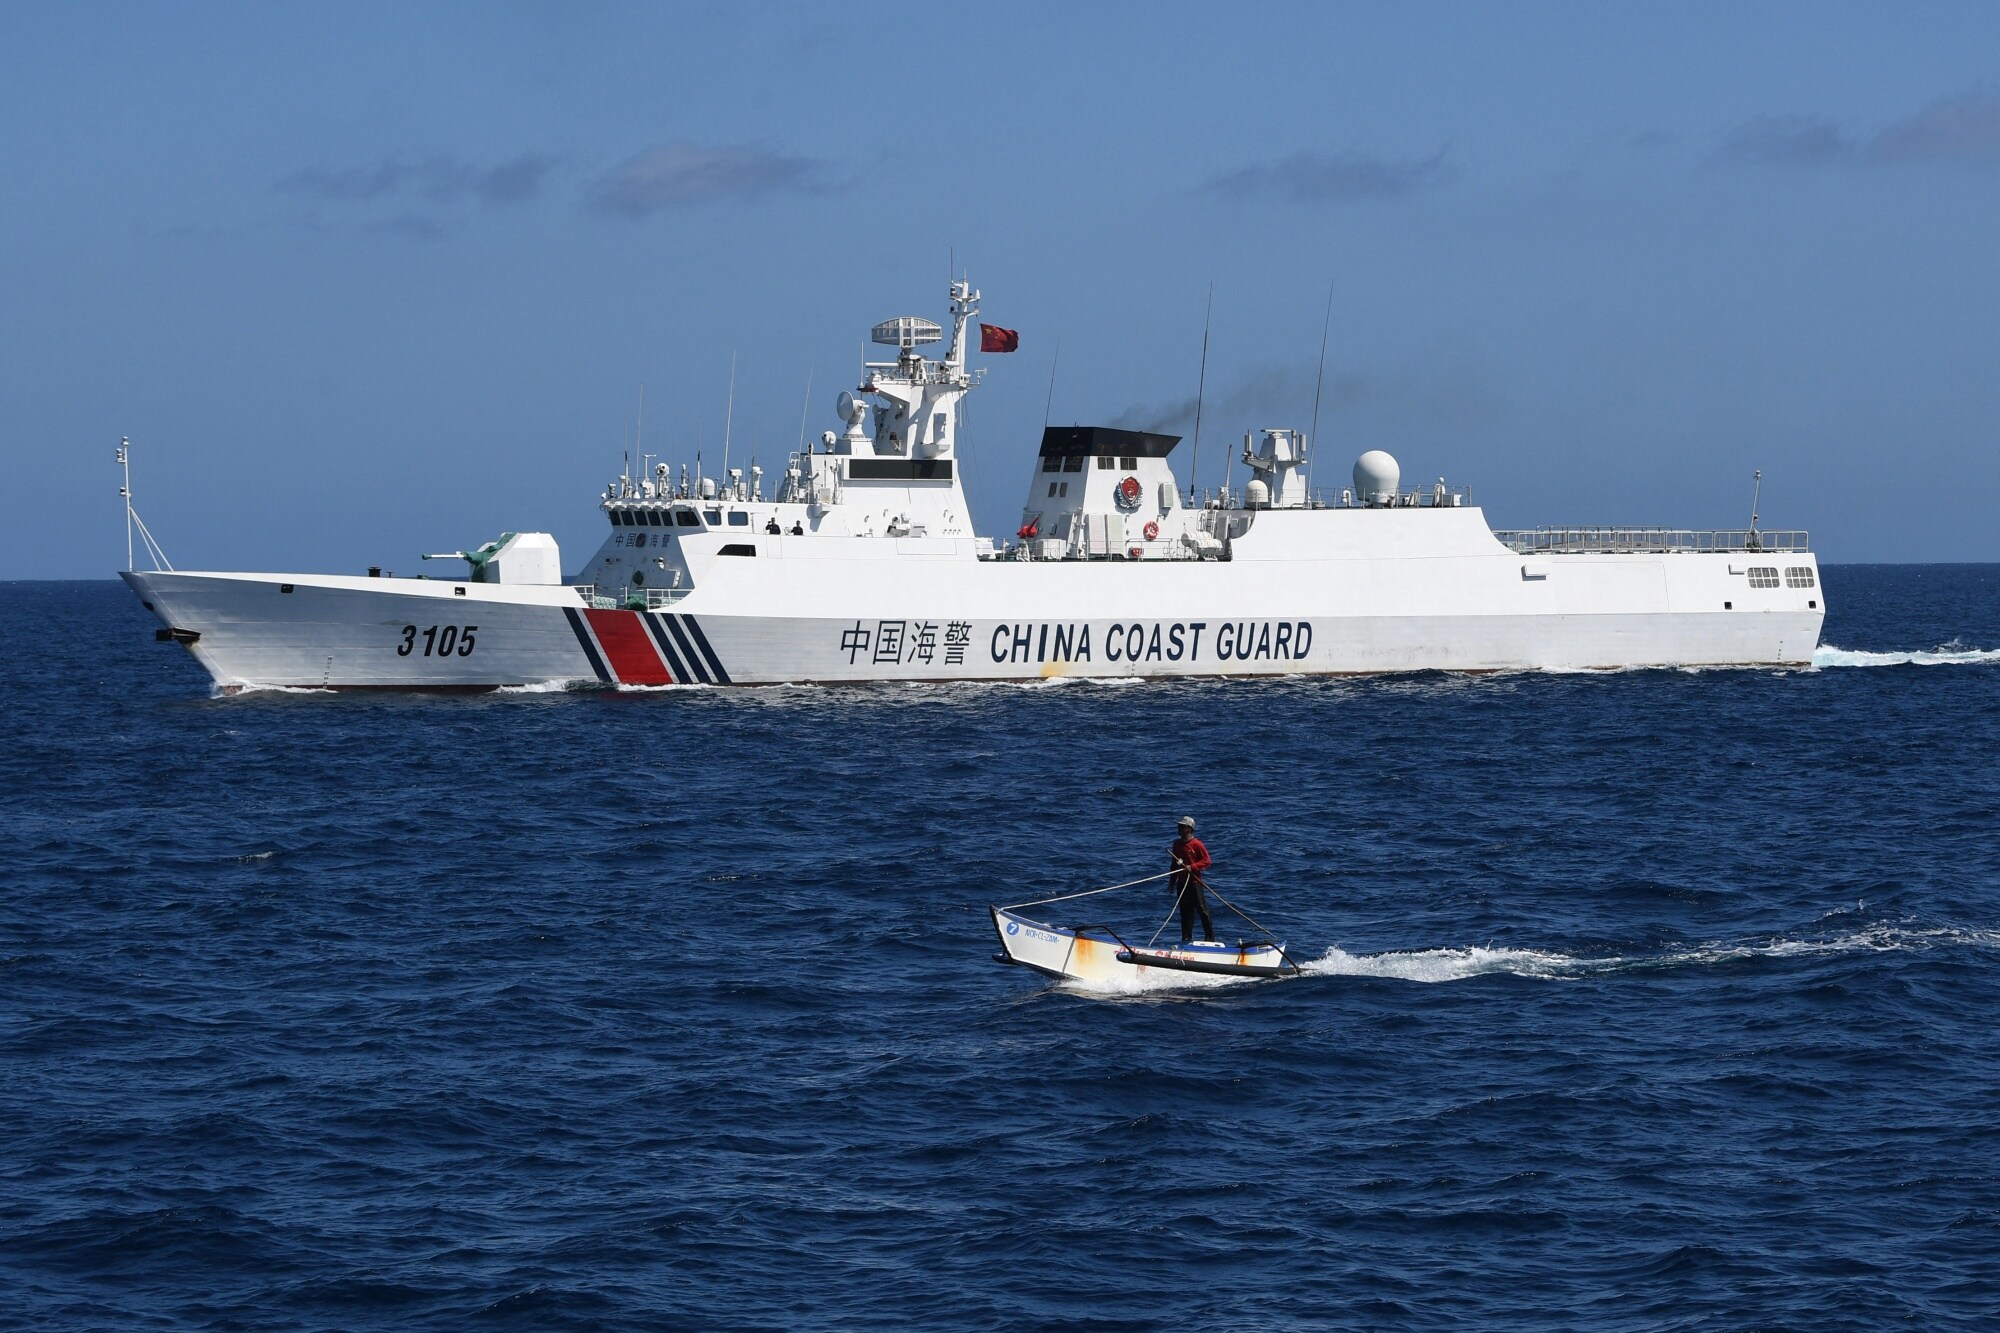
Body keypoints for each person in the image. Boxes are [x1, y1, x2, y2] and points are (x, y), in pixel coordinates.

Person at [1169, 815, 1215, 943]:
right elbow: (1174, 865)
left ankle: (1210, 938)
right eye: (1179, 826)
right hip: (1182, 884)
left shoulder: (1197, 844)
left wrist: (1192, 867)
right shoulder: (1177, 844)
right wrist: (1172, 882)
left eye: (1182, 827)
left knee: (1202, 910)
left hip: (1194, 883)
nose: (1179, 828)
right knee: (1185, 913)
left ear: (1189, 829)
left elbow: (1207, 861)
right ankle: (1186, 939)